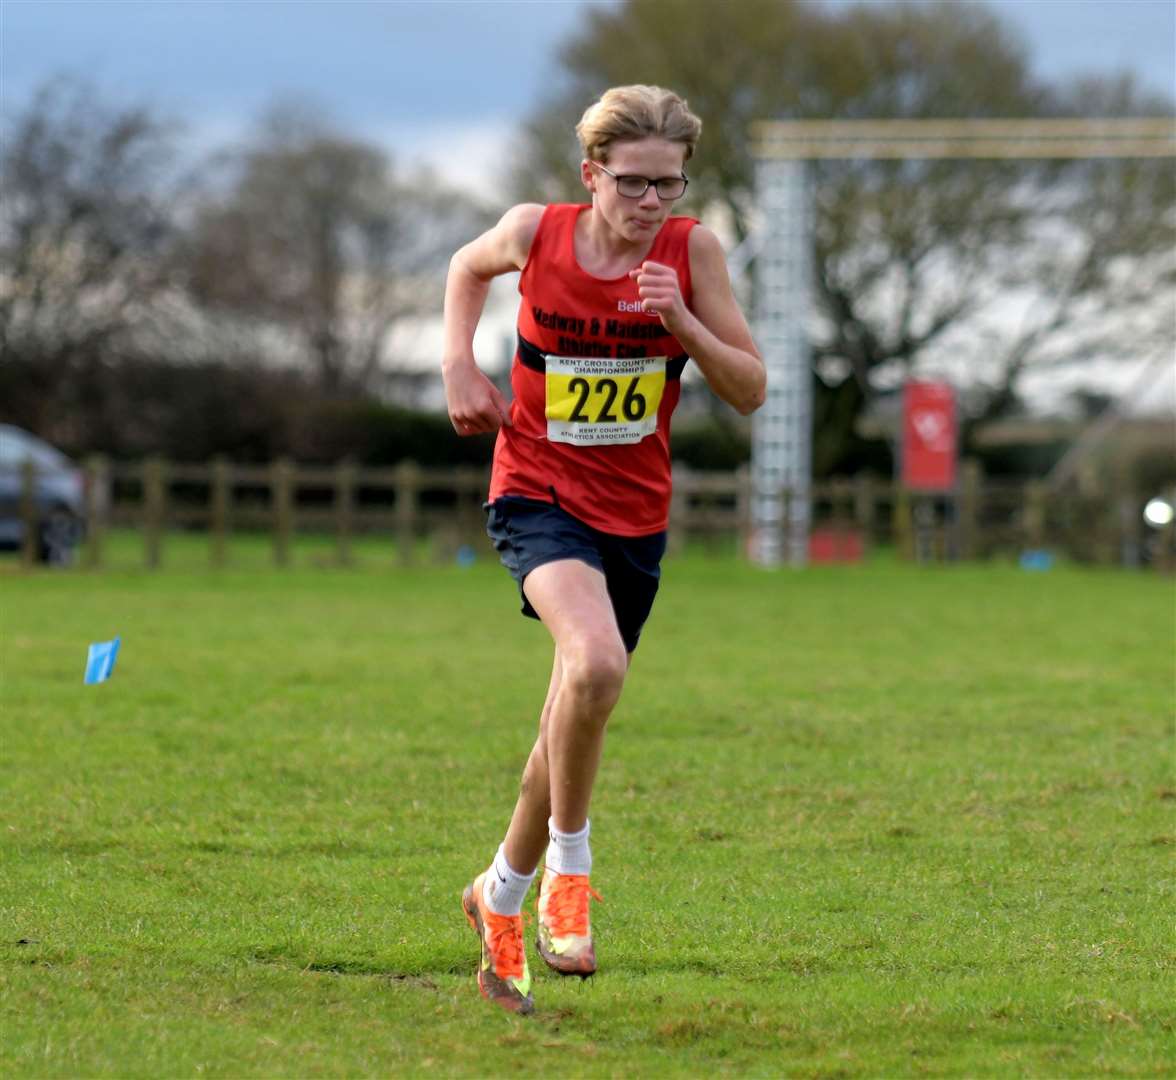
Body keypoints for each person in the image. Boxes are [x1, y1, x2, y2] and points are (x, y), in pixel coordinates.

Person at [441, 84, 765, 1015]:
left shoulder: (691, 251)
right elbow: (465, 270)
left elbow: (749, 389)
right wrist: (459, 362)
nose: (651, 202)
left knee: (578, 698)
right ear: (593, 176)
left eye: (669, 183)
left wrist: (683, 324)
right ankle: (568, 879)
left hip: (635, 515)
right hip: (536, 492)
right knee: (594, 660)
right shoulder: (534, 233)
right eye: (633, 183)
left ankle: (495, 894)